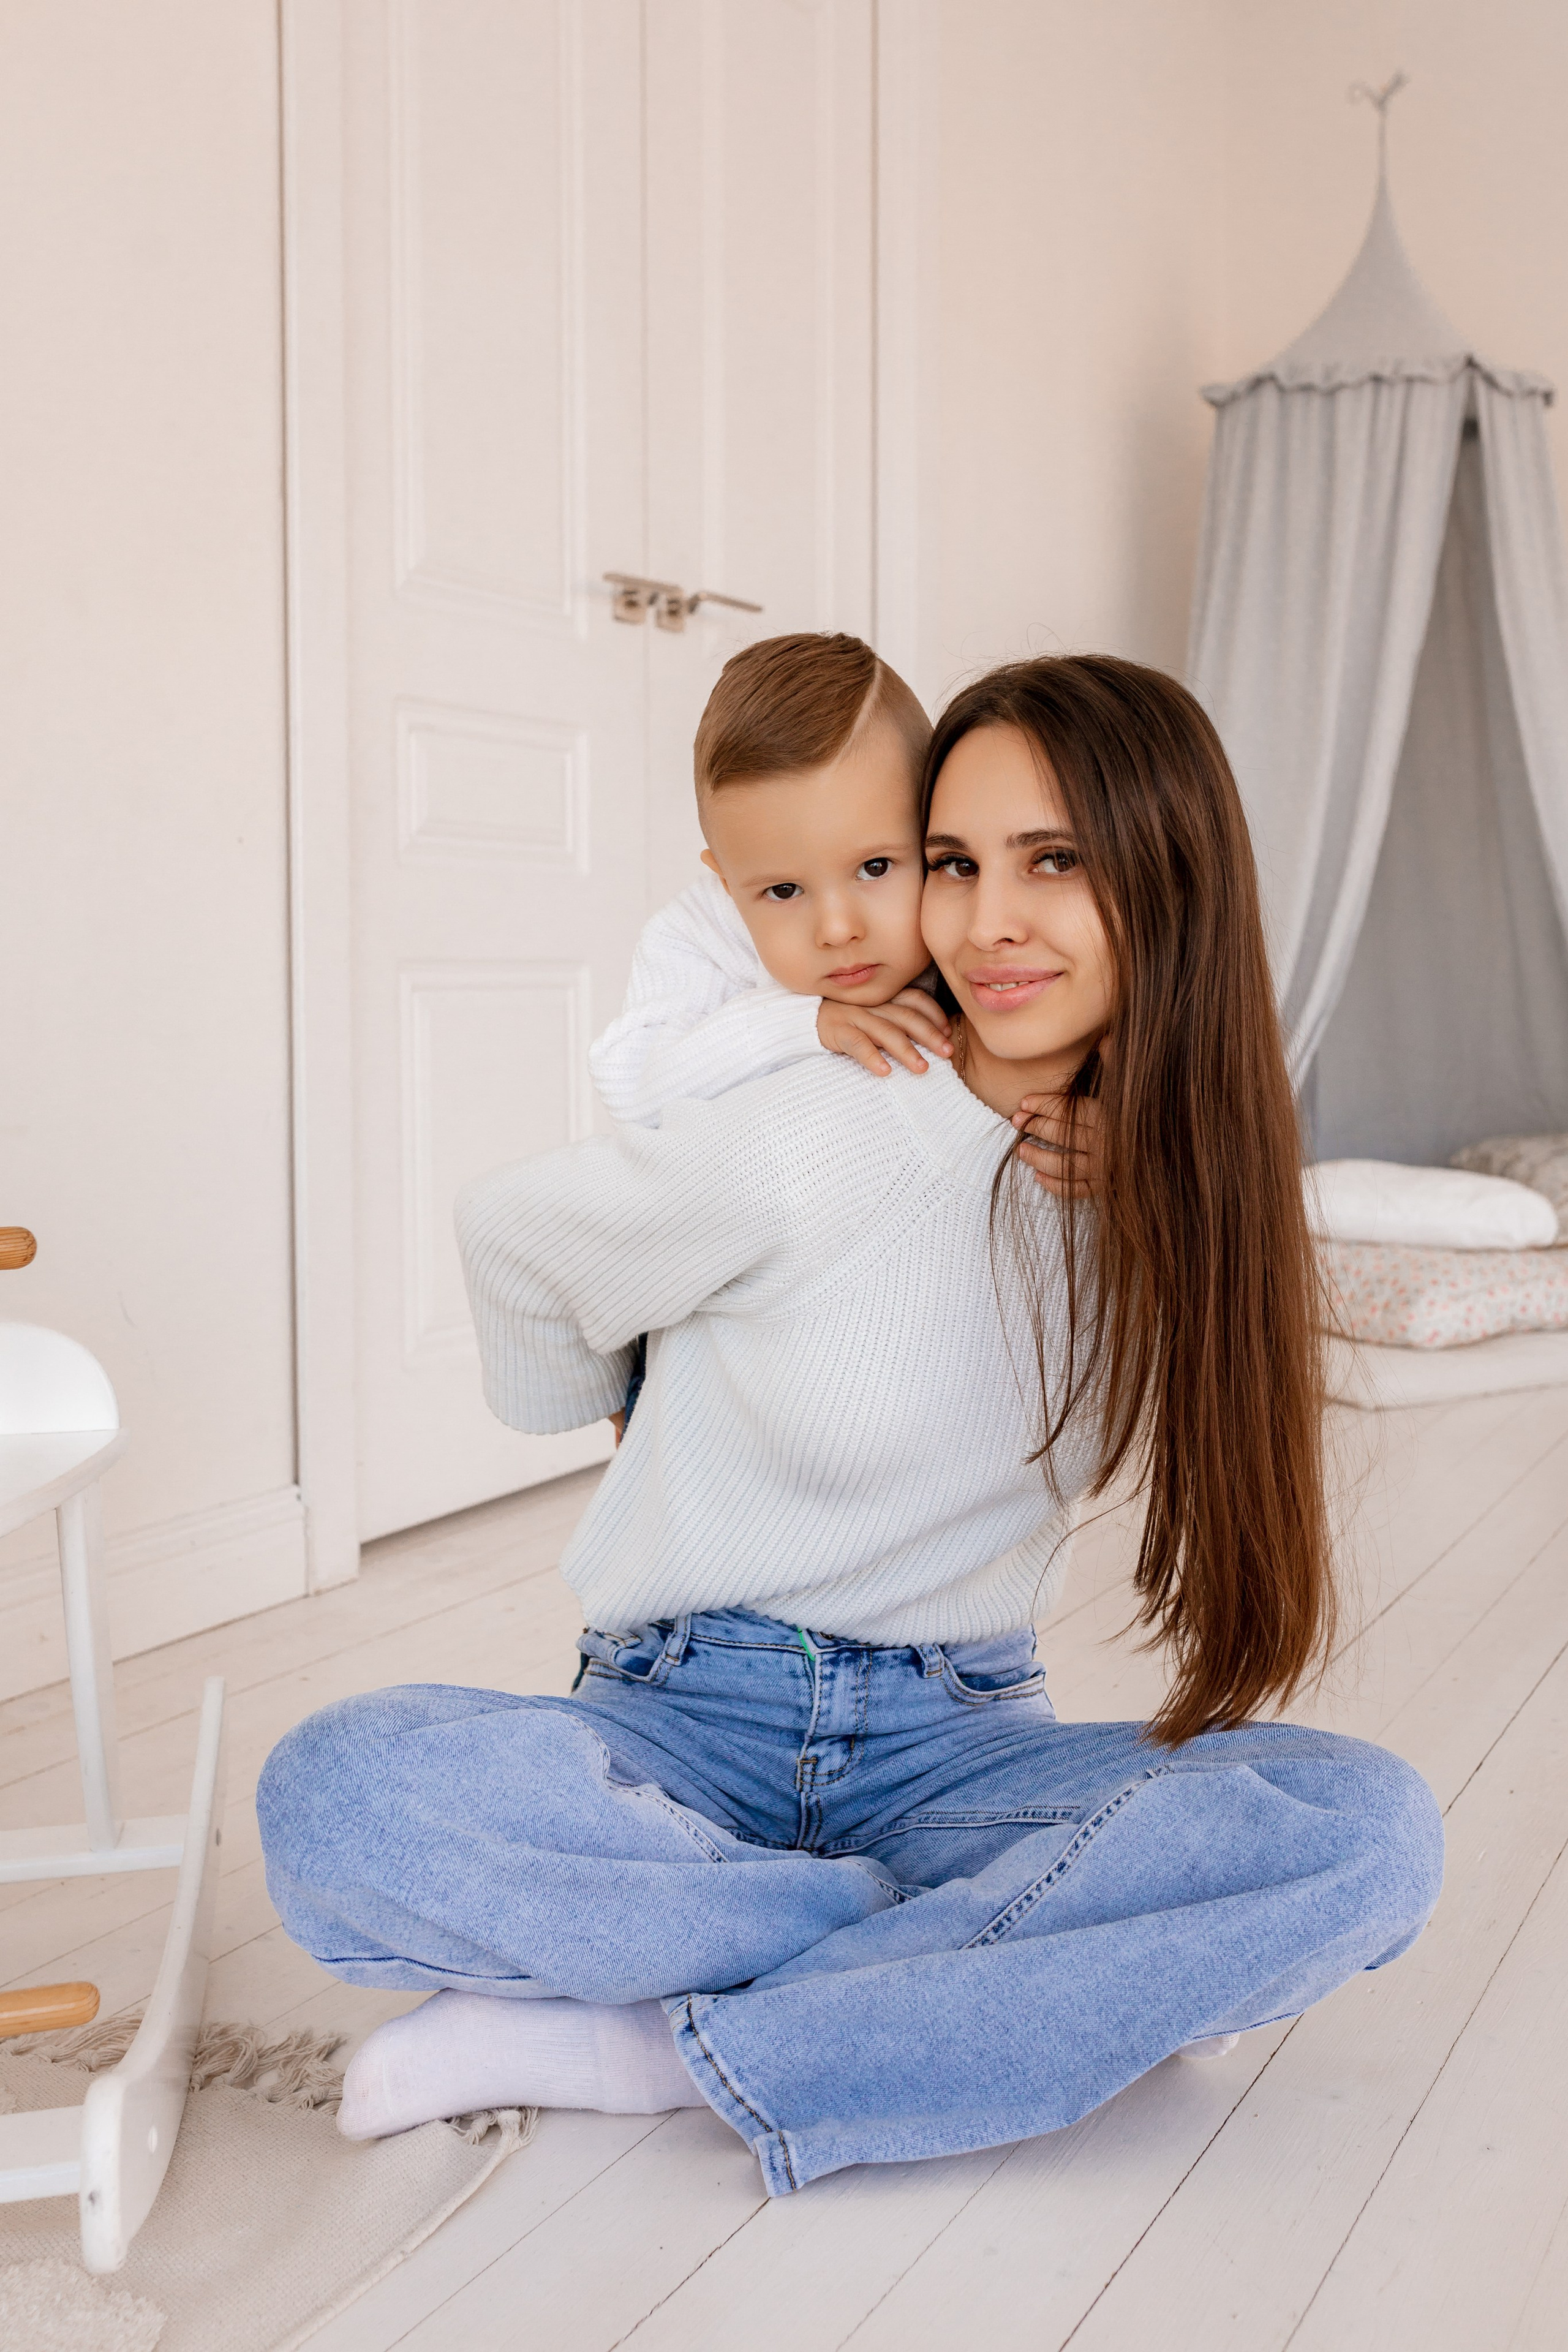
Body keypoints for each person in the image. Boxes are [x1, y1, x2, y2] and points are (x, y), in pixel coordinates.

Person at [257, 654, 1442, 2197]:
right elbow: (514, 1237)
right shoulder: (816, 1114)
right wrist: (618, 1410)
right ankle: (961, 1968)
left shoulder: (1164, 1193)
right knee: (343, 1794)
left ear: (1167, 883)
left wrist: (1145, 1164)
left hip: (958, 1743)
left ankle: (658, 2040)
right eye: (950, 862)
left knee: (1364, 1832)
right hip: (680, 1722)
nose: (985, 921)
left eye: (1052, 861)